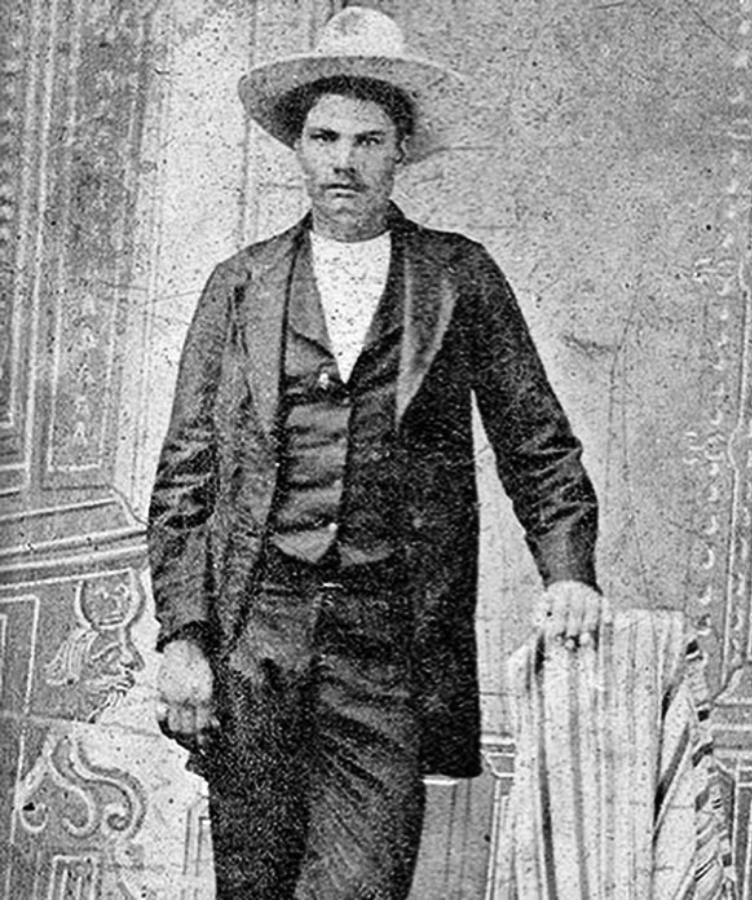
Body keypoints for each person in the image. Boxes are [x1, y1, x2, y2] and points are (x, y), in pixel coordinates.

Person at [149, 8, 603, 899]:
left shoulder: (456, 277)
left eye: (368, 139)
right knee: (253, 885)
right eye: (324, 137)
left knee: (360, 884)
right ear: (298, 149)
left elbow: (535, 439)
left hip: (388, 645)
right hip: (256, 634)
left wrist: (569, 571)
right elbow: (185, 474)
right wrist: (182, 637)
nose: (343, 160)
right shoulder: (239, 285)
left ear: (402, 152)